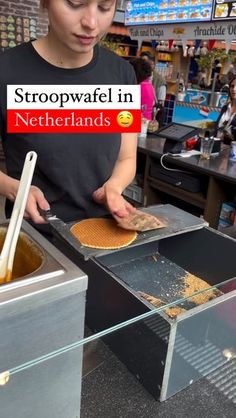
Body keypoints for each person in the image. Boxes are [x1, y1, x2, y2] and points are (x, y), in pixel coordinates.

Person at [0, 0, 137, 237]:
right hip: (37, 236)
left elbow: (126, 157)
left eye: (104, 7)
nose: (91, 23)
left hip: (104, 232)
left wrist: (114, 187)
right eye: (75, 4)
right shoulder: (7, 71)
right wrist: (13, 188)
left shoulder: (121, 74)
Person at [215, 75, 236, 145]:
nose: (234, 89)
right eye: (232, 86)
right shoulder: (225, 107)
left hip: (232, 151)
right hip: (216, 146)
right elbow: (217, 127)